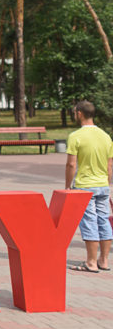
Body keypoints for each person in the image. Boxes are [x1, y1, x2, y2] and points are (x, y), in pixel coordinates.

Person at [65, 100, 113, 273]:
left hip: (85, 186)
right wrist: (107, 186)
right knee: (104, 220)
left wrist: (67, 186)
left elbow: (71, 165)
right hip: (102, 186)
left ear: (79, 113)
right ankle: (104, 261)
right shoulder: (106, 136)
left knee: (89, 222)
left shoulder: (75, 136)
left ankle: (91, 262)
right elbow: (109, 166)